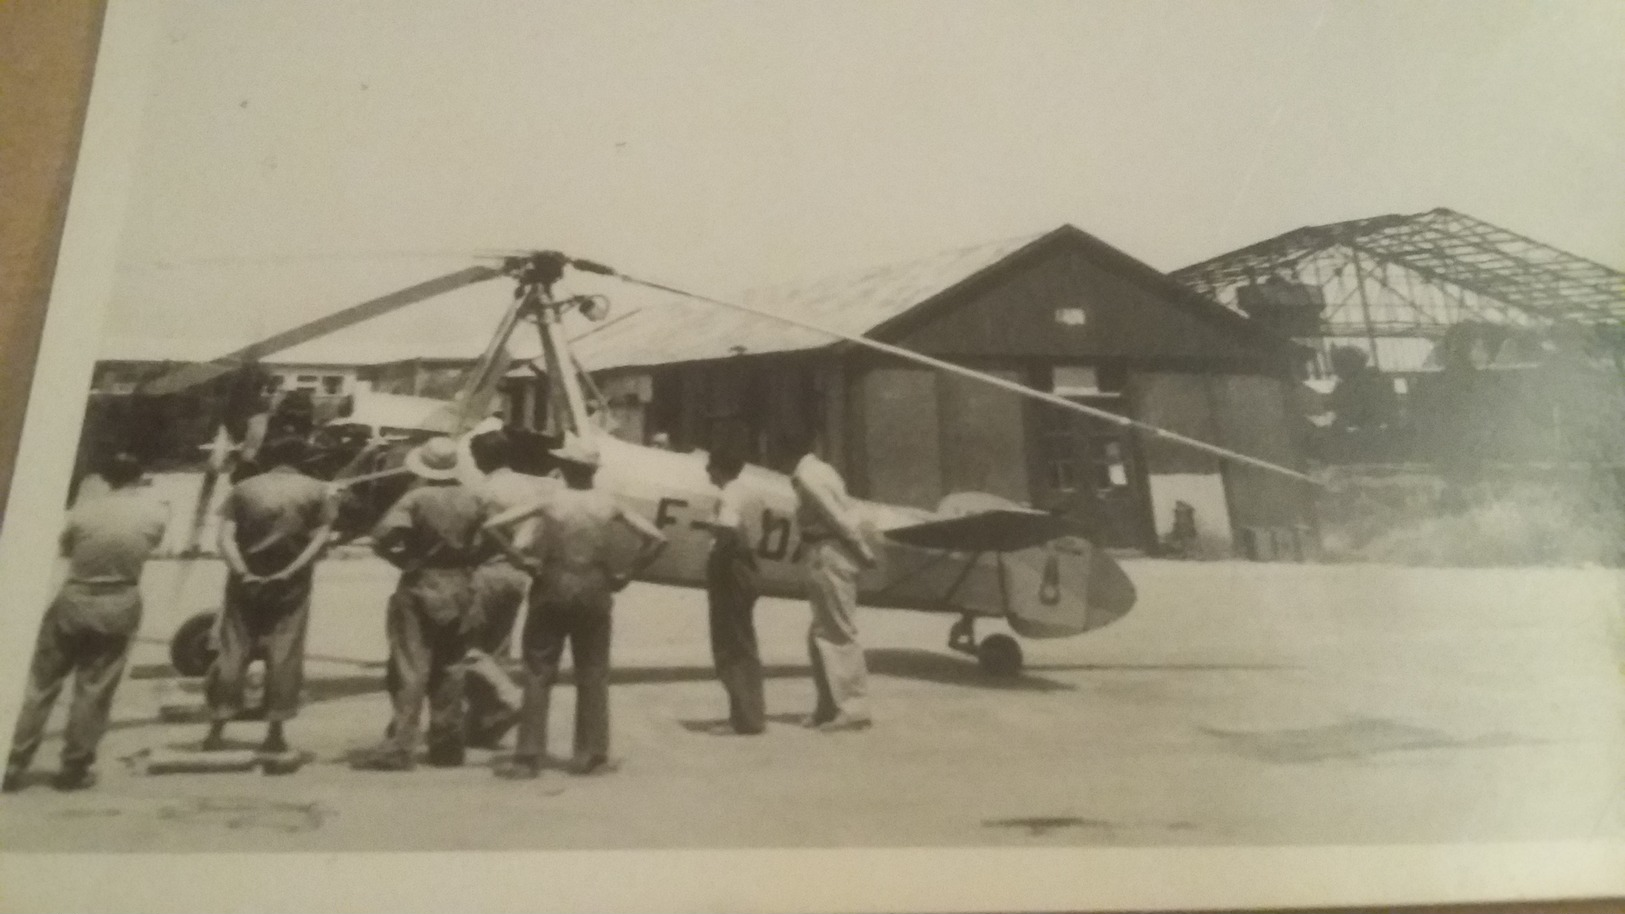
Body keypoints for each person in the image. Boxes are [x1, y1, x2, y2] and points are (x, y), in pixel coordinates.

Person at [483, 434, 666, 779]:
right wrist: (628, 573)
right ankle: (592, 754)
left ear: (566, 467)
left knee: (538, 671)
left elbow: (492, 524)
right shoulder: (608, 504)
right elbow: (658, 538)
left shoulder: (550, 500)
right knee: (593, 672)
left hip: (552, 583)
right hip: (595, 587)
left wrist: (518, 558)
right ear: (593, 471)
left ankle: (528, 755)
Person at [4, 453, 170, 792]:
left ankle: (14, 759)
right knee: (94, 689)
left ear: (105, 478)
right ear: (139, 477)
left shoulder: (83, 510)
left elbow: (67, 548)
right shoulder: (154, 513)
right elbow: (151, 542)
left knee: (41, 685)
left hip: (76, 595)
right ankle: (74, 767)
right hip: (120, 598)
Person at [355, 436, 488, 771]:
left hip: (421, 583)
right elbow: (497, 538)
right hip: (460, 585)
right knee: (451, 667)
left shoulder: (415, 499)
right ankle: (447, 746)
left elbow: (381, 537)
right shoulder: (474, 498)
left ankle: (400, 745)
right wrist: (469, 559)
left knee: (410, 666)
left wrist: (404, 561)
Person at [204, 435, 337, 755]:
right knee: (284, 652)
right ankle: (275, 732)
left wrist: (242, 571)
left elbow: (224, 538)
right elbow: (320, 538)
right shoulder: (317, 491)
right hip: (291, 584)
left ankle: (217, 728)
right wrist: (290, 571)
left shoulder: (244, 489)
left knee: (233, 649)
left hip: (245, 580)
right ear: (301, 458)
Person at [464, 429, 558, 748]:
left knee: (468, 647)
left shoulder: (485, 491)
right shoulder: (527, 486)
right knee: (498, 650)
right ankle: (485, 724)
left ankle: (510, 699)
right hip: (518, 574)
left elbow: (481, 535)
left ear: (483, 458)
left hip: (489, 569)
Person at [785, 430, 877, 732]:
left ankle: (854, 709)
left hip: (829, 554)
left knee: (837, 632)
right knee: (820, 634)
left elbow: (838, 517)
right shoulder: (822, 470)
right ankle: (827, 706)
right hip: (822, 550)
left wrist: (862, 551)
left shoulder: (809, 477)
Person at [696, 446, 766, 735]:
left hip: (731, 568)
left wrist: (716, 557)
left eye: (710, 465)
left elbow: (727, 528)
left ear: (719, 468)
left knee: (730, 644)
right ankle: (750, 714)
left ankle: (744, 719)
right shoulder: (751, 492)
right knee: (744, 642)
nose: (706, 471)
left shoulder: (729, 494)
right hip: (747, 566)